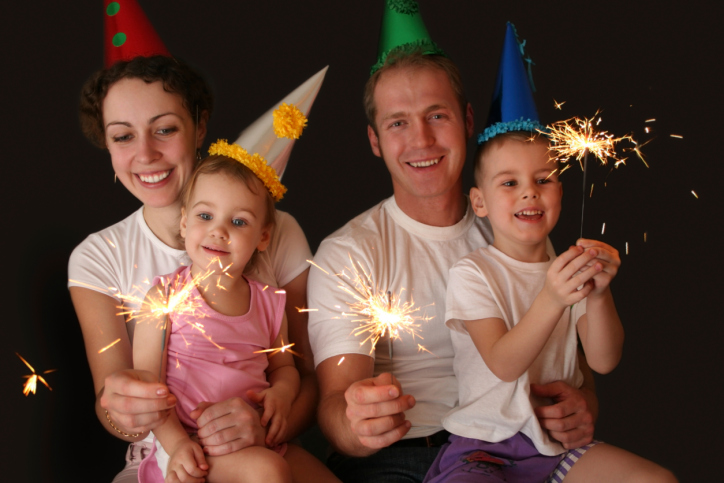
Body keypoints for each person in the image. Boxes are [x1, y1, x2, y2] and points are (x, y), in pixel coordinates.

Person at [307, 28, 598, 483]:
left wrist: (583, 406)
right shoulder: (349, 252)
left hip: (518, 443)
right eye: (397, 122)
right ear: (374, 140)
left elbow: (570, 360)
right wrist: (356, 421)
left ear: (466, 120)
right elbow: (335, 401)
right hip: (401, 454)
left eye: (435, 115)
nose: (421, 139)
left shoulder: (516, 224)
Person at [69, 55, 317, 482]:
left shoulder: (278, 240)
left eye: (165, 129)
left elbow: (303, 375)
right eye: (123, 136)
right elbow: (114, 407)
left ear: (199, 126)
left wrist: (269, 420)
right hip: (171, 453)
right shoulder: (102, 261)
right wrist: (134, 412)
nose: (146, 153)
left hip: (264, 444)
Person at [422, 131, 676, 482]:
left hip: (556, 447)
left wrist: (600, 293)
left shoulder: (569, 269)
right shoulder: (473, 272)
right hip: (485, 445)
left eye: (544, 179)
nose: (530, 191)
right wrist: (553, 298)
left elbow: (604, 361)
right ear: (479, 202)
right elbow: (502, 363)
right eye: (509, 182)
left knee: (654, 480)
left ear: (560, 193)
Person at [134, 151, 338, 483]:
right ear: (184, 222)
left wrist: (283, 393)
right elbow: (148, 388)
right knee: (268, 472)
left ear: (263, 237)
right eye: (204, 216)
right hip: (193, 446)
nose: (219, 231)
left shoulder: (270, 303)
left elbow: (284, 367)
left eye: (238, 221)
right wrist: (178, 446)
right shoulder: (165, 298)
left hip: (256, 438)